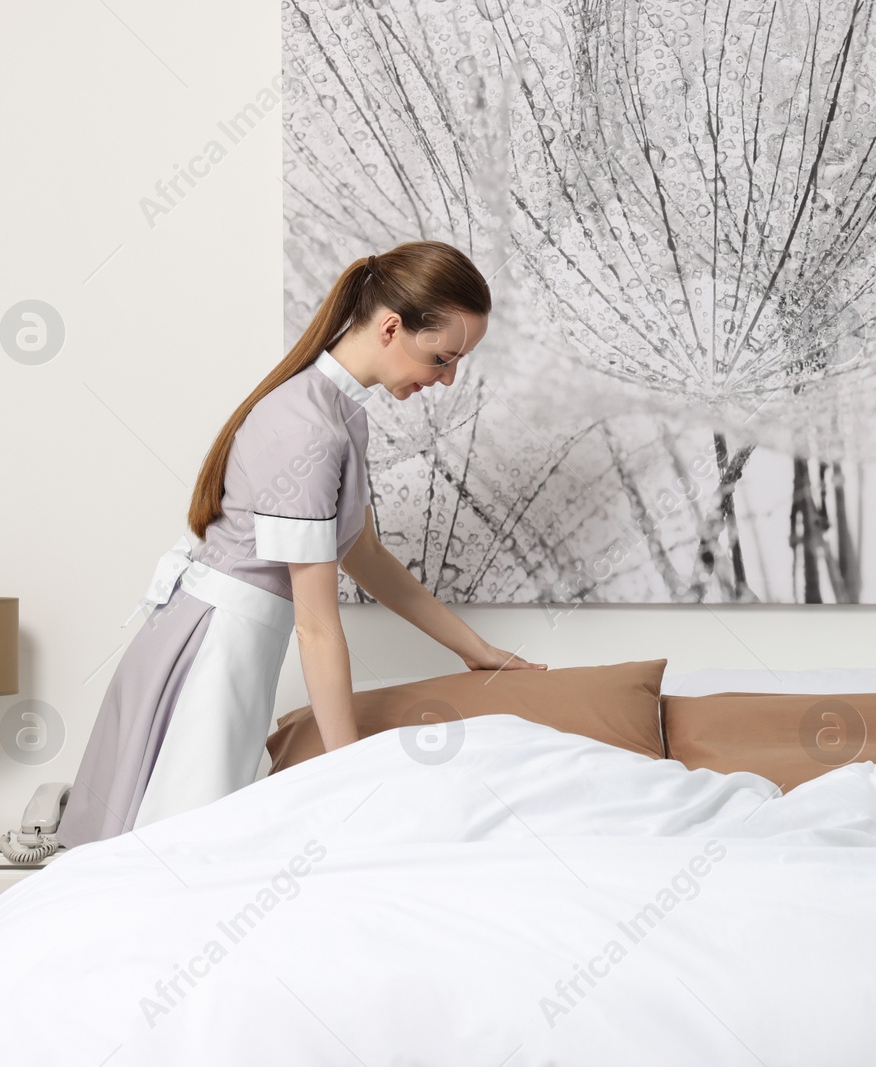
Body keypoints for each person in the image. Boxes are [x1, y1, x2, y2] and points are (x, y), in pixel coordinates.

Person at [56, 240, 543, 848]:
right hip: (210, 654)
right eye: (443, 358)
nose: (446, 379)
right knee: (180, 858)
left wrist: (475, 649)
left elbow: (363, 557)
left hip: (229, 646)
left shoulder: (343, 416)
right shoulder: (309, 430)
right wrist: (349, 774)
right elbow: (316, 626)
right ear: (392, 328)